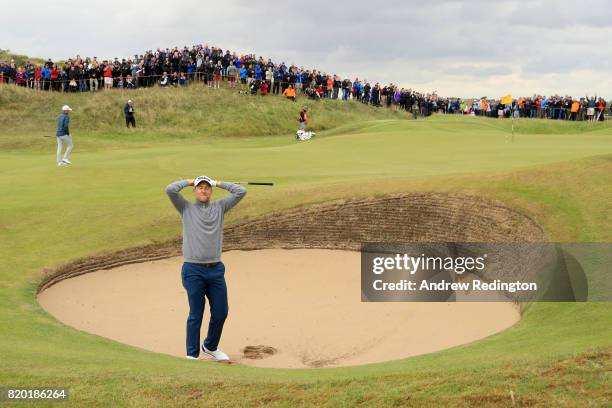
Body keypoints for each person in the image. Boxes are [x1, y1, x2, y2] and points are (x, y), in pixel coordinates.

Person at [165, 175, 247, 361]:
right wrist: (188, 181)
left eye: (207, 187)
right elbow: (170, 189)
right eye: (200, 187)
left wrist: (218, 182)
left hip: (216, 269)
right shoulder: (185, 207)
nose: (203, 190)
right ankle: (192, 355)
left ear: (211, 191)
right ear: (194, 191)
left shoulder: (219, 207)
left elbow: (241, 191)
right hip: (193, 269)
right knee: (196, 314)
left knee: (221, 312)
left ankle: (210, 346)